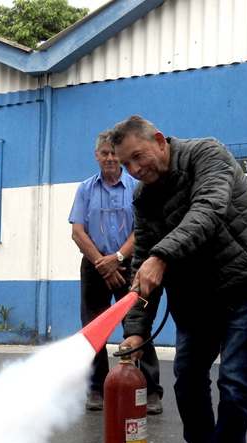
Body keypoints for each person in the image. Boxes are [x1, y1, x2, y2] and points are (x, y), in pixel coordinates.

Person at [111, 115, 247, 443]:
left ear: (159, 139)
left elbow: (208, 210)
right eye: (126, 165)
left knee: (235, 380)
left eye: (138, 157)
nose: (135, 170)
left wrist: (160, 257)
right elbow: (142, 269)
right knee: (187, 376)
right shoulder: (144, 196)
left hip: (245, 280)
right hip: (198, 294)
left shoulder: (207, 154)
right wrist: (135, 331)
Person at [69, 130, 164, 413]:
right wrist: (102, 262)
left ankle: (151, 391)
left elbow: (143, 228)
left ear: (120, 157)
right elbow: (77, 232)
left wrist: (119, 257)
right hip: (94, 265)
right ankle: (96, 389)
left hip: (129, 263)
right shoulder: (85, 189)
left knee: (138, 324)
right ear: (97, 156)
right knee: (93, 327)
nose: (110, 158)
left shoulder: (137, 186)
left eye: (114, 154)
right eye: (105, 153)